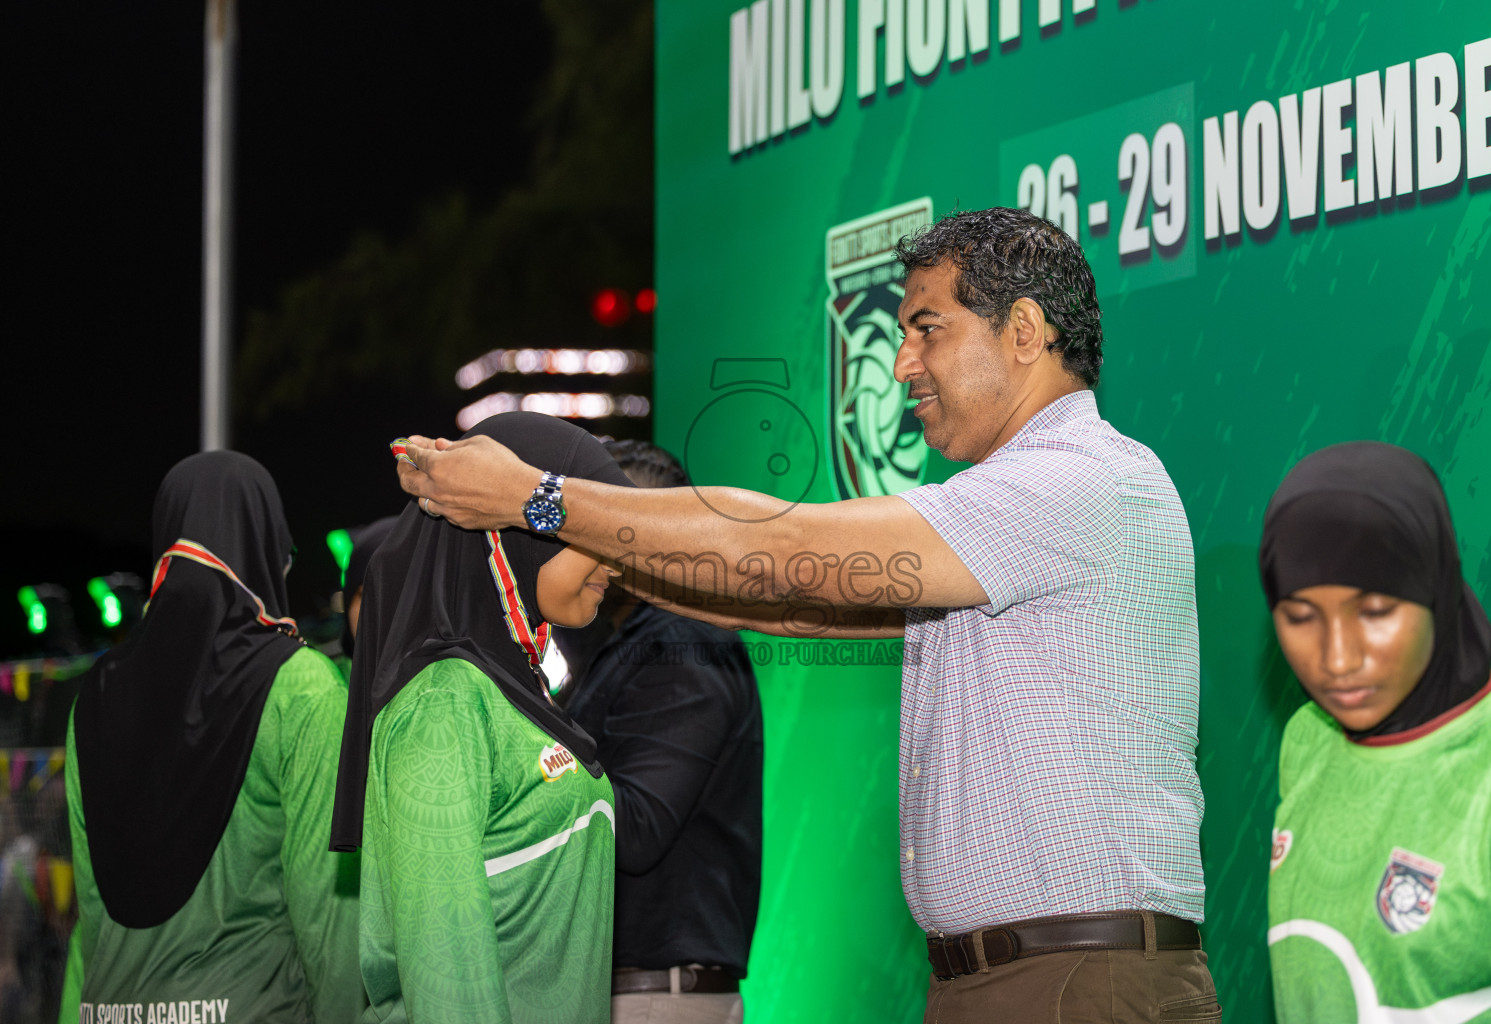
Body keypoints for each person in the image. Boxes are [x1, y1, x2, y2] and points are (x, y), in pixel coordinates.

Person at [393, 208, 1218, 1021]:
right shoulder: (1013, 510)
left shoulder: (1076, 482)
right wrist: (613, 559)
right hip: (1015, 980)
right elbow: (800, 609)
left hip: (1077, 985)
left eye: (926, 329)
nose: (901, 365)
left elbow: (786, 554)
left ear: (1027, 330)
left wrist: (538, 501)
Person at [330, 412, 635, 1024]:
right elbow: (447, 987)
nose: (616, 564)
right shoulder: (443, 704)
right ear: (516, 534)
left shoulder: (514, 687)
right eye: (595, 537)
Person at [59, 451, 361, 1023]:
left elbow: (90, 916)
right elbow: (330, 912)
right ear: (267, 551)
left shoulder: (94, 693)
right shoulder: (300, 686)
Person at [1261, 442, 1491, 1021]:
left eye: (1377, 609)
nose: (1337, 659)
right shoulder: (1307, 740)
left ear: (1436, 589)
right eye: (1301, 615)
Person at [557, 440, 762, 1024]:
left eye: (599, 523)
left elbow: (637, 827)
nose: (576, 541)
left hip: (652, 997)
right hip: (640, 991)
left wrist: (526, 757)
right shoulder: (634, 641)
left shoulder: (682, 646)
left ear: (648, 532)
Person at [334, 515, 397, 679]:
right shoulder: (328, 686)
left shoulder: (442, 690)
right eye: (363, 596)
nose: (377, 612)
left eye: (393, 597)